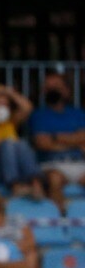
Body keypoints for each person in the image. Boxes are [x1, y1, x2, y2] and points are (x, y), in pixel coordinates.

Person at [32, 72, 85, 208]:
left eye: (56, 86)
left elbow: (83, 137)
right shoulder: (38, 115)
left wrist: (55, 137)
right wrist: (75, 143)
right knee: (54, 179)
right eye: (48, 87)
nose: (52, 90)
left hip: (79, 163)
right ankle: (61, 220)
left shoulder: (78, 113)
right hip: (51, 164)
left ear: (66, 91)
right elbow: (42, 143)